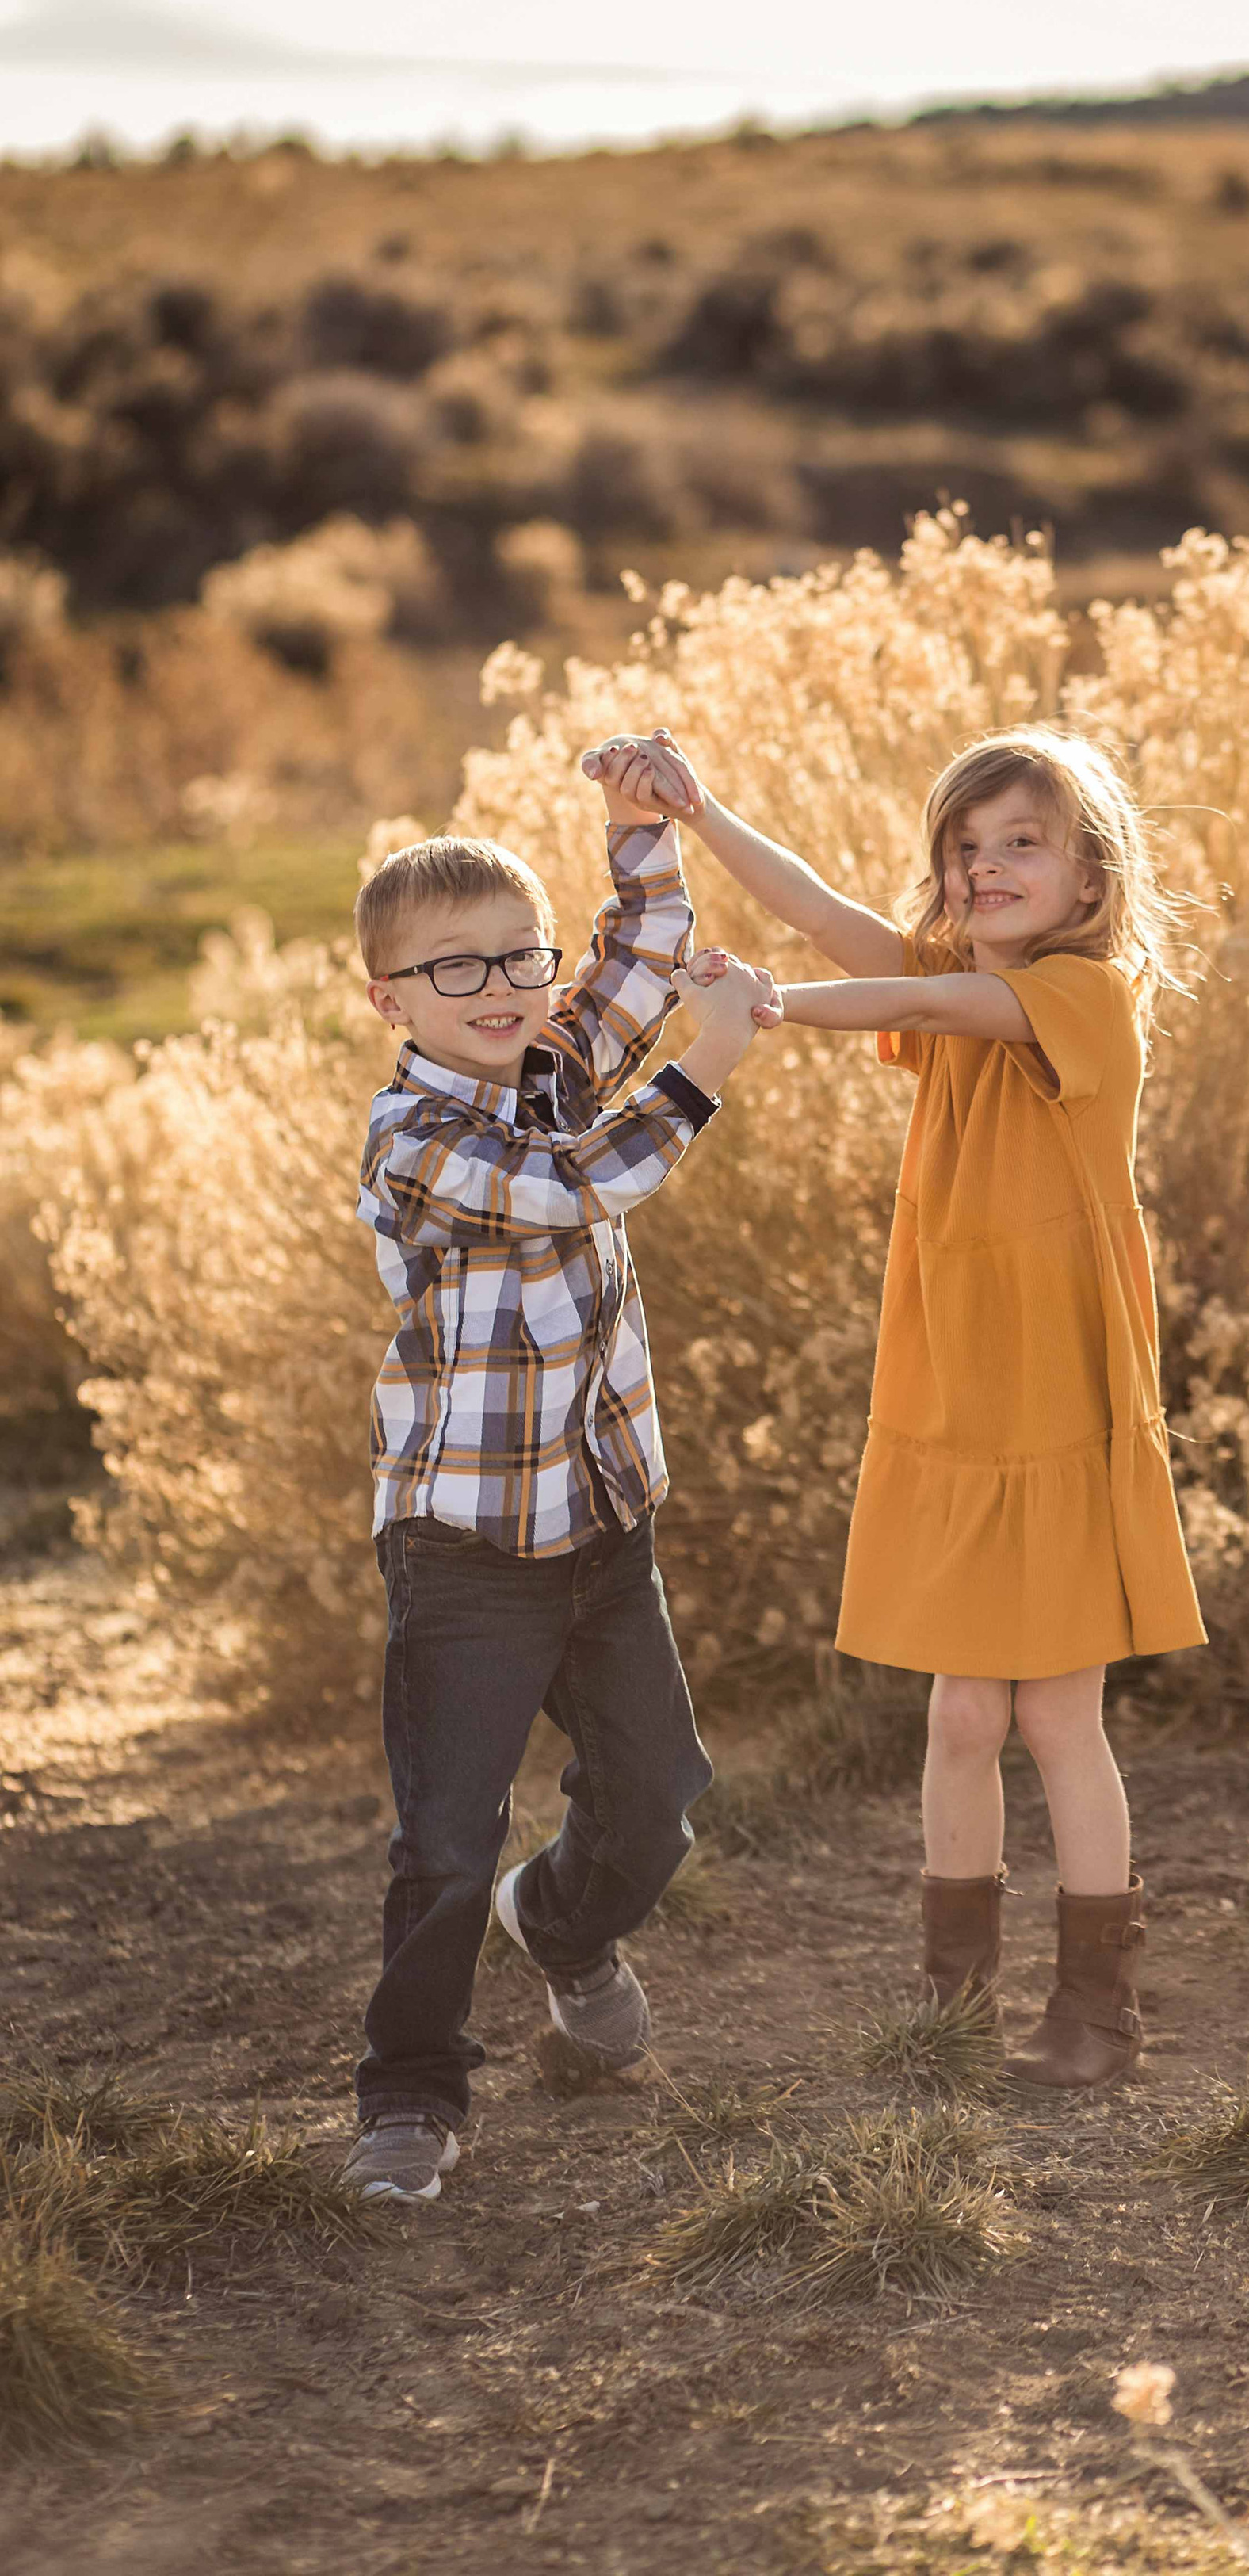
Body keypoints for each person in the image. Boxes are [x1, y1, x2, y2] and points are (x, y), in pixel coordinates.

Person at [659, 721, 1205, 2091]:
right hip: (957, 1391)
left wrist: (769, 1006)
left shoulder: (1082, 996)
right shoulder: (956, 968)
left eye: (1023, 842)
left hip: (1062, 1397)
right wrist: (700, 810)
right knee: (962, 1717)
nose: (987, 867)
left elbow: (912, 1003)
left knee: (1057, 1718)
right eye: (966, 848)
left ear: (1093, 876)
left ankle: (1099, 2009)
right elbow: (834, 915)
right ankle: (953, 2000)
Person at [342, 730, 779, 2201]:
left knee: (659, 1796)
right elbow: (586, 1185)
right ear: (388, 996)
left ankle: (568, 1925)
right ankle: (411, 2101)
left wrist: (632, 818)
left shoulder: (550, 1058)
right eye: (455, 969)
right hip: (464, 1548)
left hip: (600, 1524)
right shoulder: (414, 1137)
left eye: (521, 959)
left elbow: (646, 948)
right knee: (446, 1843)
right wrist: (711, 1064)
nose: (504, 990)